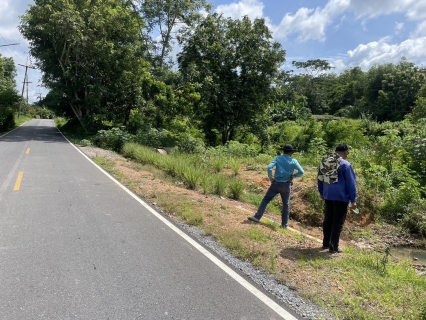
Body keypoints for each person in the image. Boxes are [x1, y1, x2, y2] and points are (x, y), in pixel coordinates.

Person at [248, 144, 304, 228]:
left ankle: (257, 217)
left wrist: (271, 178)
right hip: (287, 185)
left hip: (276, 183)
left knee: (266, 200)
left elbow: (269, 167)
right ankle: (284, 224)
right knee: (286, 204)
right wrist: (292, 177)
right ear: (291, 152)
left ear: (283, 151)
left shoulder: (277, 158)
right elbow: (301, 172)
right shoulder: (294, 161)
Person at [317, 143, 357, 253]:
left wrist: (321, 192)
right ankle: (333, 247)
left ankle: (325, 243)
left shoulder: (326, 162)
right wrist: (353, 199)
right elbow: (350, 183)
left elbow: (320, 178)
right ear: (345, 152)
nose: (347, 155)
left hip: (328, 195)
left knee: (328, 219)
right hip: (341, 197)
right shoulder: (346, 165)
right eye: (347, 153)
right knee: (337, 222)